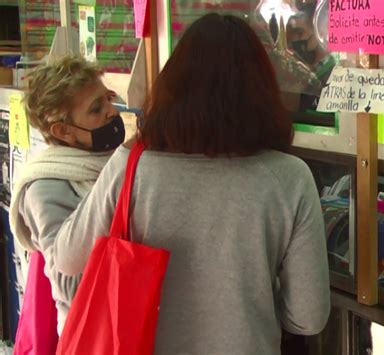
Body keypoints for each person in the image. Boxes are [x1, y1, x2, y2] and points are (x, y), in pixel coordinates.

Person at [54, 14, 330, 355]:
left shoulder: (132, 165)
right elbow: (308, 317)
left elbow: (66, 258)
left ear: (172, 87)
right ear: (262, 90)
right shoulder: (290, 178)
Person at [9, 54, 125, 349]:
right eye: (96, 109)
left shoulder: (109, 158)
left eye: (108, 99)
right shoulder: (45, 186)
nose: (112, 113)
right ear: (63, 131)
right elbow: (70, 283)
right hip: (93, 338)